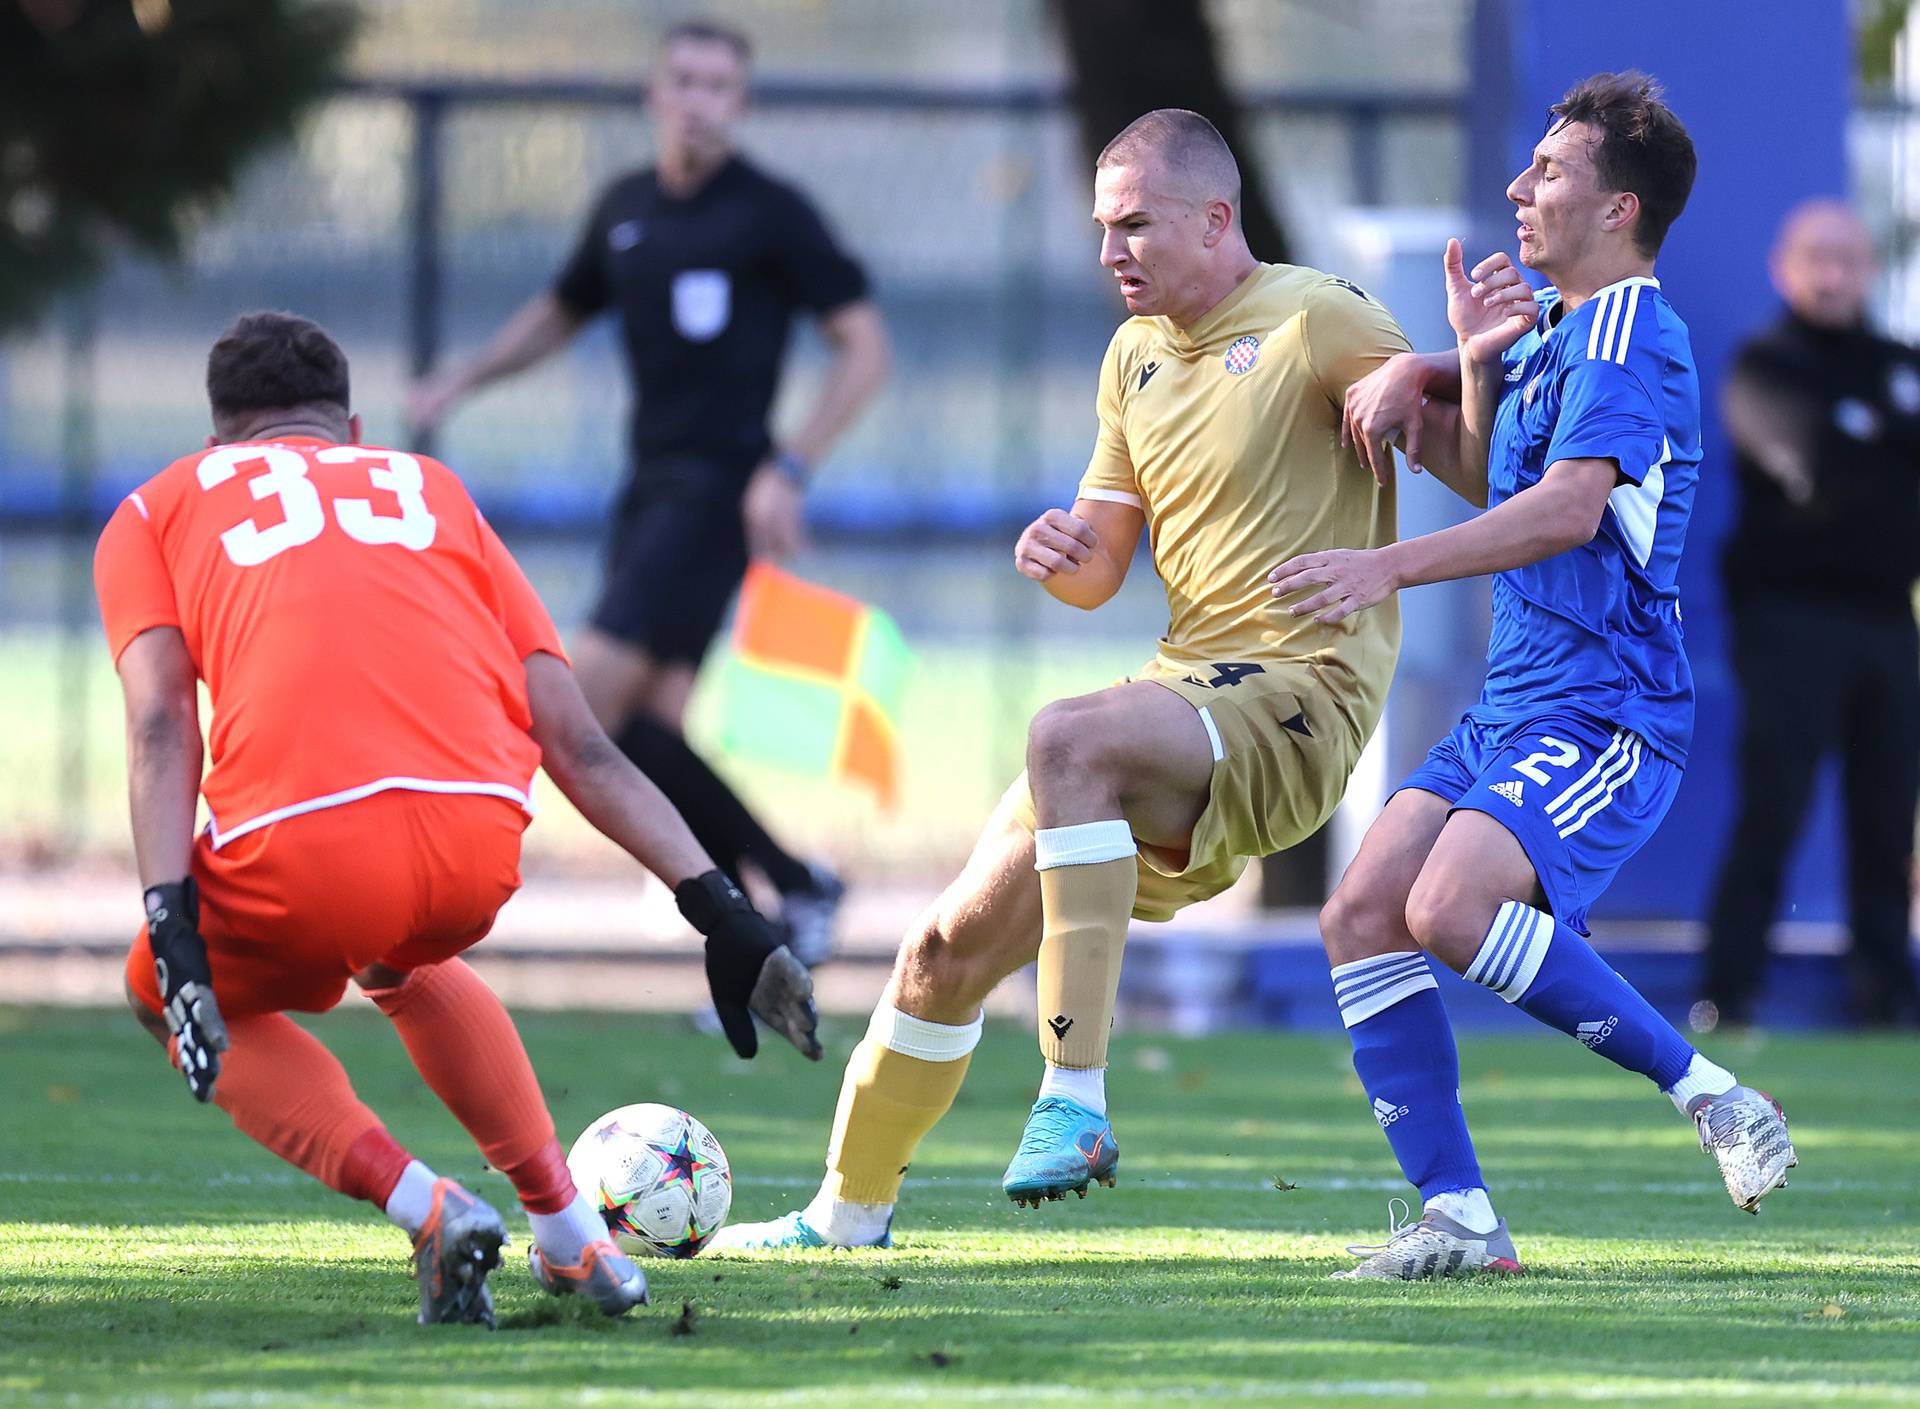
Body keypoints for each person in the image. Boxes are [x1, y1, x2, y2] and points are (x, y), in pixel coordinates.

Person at [711, 108, 1411, 1251]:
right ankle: (844, 1215)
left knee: (1065, 733)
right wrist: (1059, 557)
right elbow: (1101, 565)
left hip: (1303, 693)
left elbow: (1476, 461)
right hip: (1191, 689)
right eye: (1101, 227)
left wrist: (1444, 366)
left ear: (1215, 217)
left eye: (1133, 224)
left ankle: (1073, 1098)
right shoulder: (1132, 357)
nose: (1109, 252)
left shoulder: (1315, 316)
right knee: (941, 951)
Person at [96, 311, 821, 1327]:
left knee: (155, 985)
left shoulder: (154, 504)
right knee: (397, 953)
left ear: (217, 442)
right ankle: (575, 1240)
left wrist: (172, 926)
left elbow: (162, 718)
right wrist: (724, 910)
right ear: (348, 428)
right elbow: (578, 741)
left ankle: (422, 1201)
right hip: (478, 844)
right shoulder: (431, 488)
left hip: (307, 844)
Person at [1291, 71, 1796, 1280]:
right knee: (1359, 914)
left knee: (1450, 908)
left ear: (1620, 209)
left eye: (1552, 172)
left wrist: (1387, 565)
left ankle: (1713, 1091)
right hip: (1517, 700)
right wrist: (1459, 365)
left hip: (1609, 706)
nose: (1521, 190)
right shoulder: (1568, 335)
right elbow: (1498, 488)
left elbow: (1568, 514)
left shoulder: (1634, 330)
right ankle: (1460, 1215)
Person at [408, 18, 890, 962]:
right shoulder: (626, 205)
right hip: (648, 492)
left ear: (739, 104)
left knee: (578, 706)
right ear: (655, 95)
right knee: (642, 735)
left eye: (720, 86)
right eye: (685, 81)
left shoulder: (771, 212)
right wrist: (463, 377)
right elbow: (561, 308)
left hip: (715, 498)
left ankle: (438, 882)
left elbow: (865, 348)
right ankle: (796, 889)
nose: (700, 100)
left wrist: (788, 466)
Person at [1700, 199, 1920, 1029]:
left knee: (1887, 813)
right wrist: (1890, 445)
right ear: (1784, 268)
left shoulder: (1899, 361)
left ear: (1869, 268)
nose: (1833, 275)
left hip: (1890, 623)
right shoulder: (1767, 365)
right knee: (1775, 805)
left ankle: (1884, 993)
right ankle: (1730, 988)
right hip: (1790, 620)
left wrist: (1873, 434)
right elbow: (1812, 469)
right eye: (1816, 258)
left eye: (1848, 258)